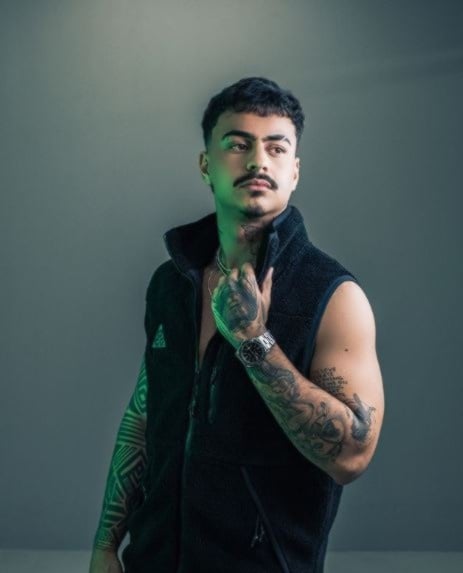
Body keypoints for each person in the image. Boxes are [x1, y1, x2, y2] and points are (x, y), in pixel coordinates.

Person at [89, 77, 385, 573]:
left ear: (294, 171)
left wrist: (252, 339)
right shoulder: (171, 283)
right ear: (206, 164)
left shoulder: (333, 296)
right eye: (238, 144)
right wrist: (105, 543)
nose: (257, 162)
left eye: (276, 148)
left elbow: (351, 454)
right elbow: (144, 414)